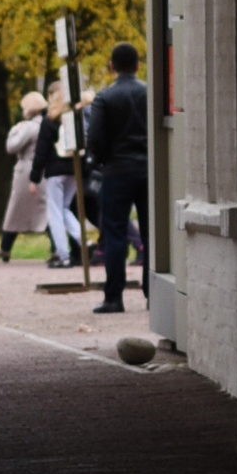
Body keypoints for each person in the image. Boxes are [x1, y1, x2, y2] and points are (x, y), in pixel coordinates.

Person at [80, 39, 148, 315]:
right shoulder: (149, 93)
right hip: (146, 170)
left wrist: (100, 160)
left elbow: (94, 137)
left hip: (116, 171)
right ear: (137, 65)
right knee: (150, 231)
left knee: (115, 232)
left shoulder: (104, 97)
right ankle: (152, 294)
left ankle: (114, 296)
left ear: (111, 67)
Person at [30, 73, 82, 269]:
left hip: (55, 171)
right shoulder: (72, 118)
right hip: (73, 170)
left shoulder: (49, 120)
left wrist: (34, 177)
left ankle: (63, 254)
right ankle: (84, 242)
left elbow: (41, 151)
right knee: (65, 208)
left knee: (55, 213)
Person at [0, 88, 49, 264]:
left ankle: (5, 248)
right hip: (40, 170)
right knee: (44, 211)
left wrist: (14, 130)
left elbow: (12, 146)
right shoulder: (45, 123)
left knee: (16, 210)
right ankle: (60, 248)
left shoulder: (29, 127)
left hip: (26, 170)